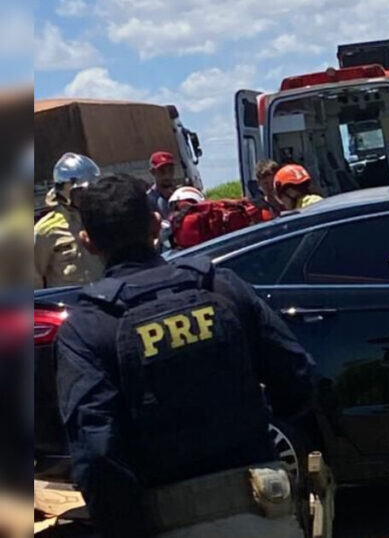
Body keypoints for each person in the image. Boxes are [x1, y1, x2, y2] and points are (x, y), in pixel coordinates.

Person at [55, 174, 316, 538]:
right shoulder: (223, 287)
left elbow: (97, 453)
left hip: (166, 522)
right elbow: (298, 377)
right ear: (155, 224)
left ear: (88, 242)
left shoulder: (88, 327)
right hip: (263, 509)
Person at [33, 152, 105, 289]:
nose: (88, 196)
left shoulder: (106, 219)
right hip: (71, 301)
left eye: (92, 189)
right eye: (80, 192)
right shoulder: (45, 232)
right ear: (63, 192)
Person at [147, 151, 178, 220]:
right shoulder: (148, 200)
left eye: (170, 170)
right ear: (152, 172)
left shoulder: (181, 195)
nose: (167, 175)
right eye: (162, 171)